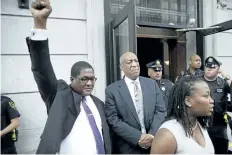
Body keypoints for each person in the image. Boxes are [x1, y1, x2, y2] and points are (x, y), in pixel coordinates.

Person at [26, 0, 111, 154]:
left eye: (93, 79)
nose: (90, 83)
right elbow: (41, 69)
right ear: (72, 79)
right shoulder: (58, 96)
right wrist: (40, 24)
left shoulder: (98, 104)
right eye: (84, 79)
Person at [105, 52, 166, 154]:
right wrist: (139, 137)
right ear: (121, 67)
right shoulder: (112, 90)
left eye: (136, 61)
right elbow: (113, 119)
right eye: (129, 62)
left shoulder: (151, 84)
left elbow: (161, 111)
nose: (134, 64)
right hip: (128, 147)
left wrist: (151, 135)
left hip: (154, 145)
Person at [150, 75, 215, 154]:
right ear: (188, 101)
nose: (212, 101)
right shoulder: (167, 135)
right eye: (206, 96)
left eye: (210, 96)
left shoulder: (200, 125)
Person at [201, 56, 231, 154]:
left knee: (221, 149)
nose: (209, 69)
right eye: (207, 66)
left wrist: (226, 76)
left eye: (213, 67)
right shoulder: (197, 81)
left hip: (219, 123)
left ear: (218, 69)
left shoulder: (222, 83)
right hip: (201, 123)